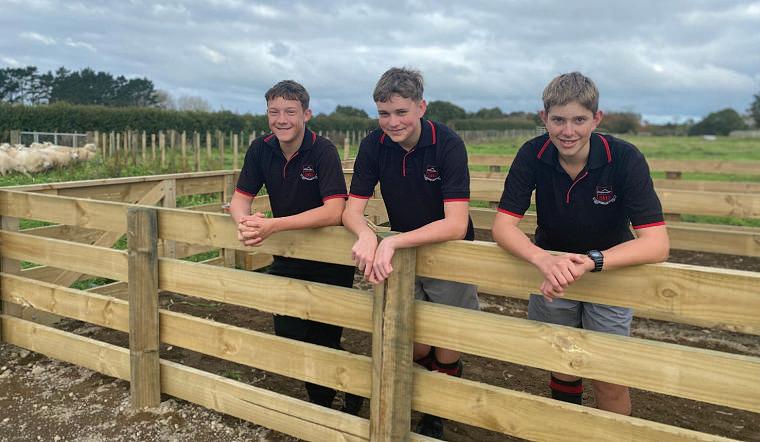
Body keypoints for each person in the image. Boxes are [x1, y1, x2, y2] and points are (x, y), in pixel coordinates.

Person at [492, 72, 669, 415]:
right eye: (558, 120)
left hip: (610, 272)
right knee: (560, 360)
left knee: (609, 375)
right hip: (552, 272)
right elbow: (503, 226)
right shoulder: (532, 153)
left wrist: (591, 261)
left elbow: (657, 243)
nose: (568, 131)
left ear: (596, 118)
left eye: (579, 120)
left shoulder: (624, 157)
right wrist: (542, 260)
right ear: (544, 118)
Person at [342, 67, 480, 438]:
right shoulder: (374, 145)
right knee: (414, 338)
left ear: (421, 107)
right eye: (384, 113)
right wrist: (366, 234)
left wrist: (390, 241)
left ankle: (437, 412)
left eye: (401, 112)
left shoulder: (446, 143)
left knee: (447, 335)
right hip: (403, 251)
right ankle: (418, 397)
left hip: (449, 251)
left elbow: (455, 223)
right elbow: (352, 210)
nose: (393, 122)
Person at [228, 80, 363, 414]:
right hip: (288, 252)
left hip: (329, 258)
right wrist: (245, 223)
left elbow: (334, 211)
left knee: (323, 335)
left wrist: (274, 225)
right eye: (274, 112)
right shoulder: (261, 149)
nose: (281, 119)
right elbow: (239, 199)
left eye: (290, 111)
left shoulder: (322, 151)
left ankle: (326, 404)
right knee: (288, 331)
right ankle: (344, 385)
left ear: (307, 114)